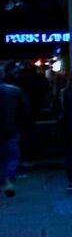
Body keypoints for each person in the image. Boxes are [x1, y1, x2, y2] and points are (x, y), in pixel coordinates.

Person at [0, 69, 25, 199]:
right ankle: (9, 179)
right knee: (12, 157)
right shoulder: (15, 91)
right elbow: (25, 110)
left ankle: (3, 179)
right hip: (11, 130)